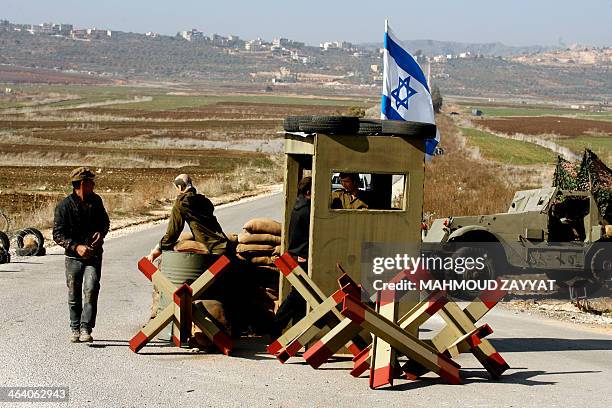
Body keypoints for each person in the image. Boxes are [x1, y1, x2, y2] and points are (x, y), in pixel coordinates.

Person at [53, 167, 110, 343]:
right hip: (73, 257)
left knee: (91, 289)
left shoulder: (97, 201)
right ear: (83, 184)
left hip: (94, 255)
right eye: (91, 182)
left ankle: (86, 328)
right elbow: (57, 235)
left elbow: (105, 223)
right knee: (74, 293)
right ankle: (75, 328)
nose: (94, 185)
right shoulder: (64, 206)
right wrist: (76, 246)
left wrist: (101, 234)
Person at [146, 174, 228, 262]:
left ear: (180, 187)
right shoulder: (204, 200)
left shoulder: (181, 203)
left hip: (211, 250)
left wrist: (157, 250)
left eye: (176, 188)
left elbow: (173, 233)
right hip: (223, 244)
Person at [273, 176, 311, 335]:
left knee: (301, 298)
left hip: (295, 254)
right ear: (309, 191)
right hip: (301, 256)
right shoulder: (306, 210)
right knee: (297, 295)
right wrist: (303, 254)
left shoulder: (298, 206)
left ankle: (295, 332)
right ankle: (275, 325)